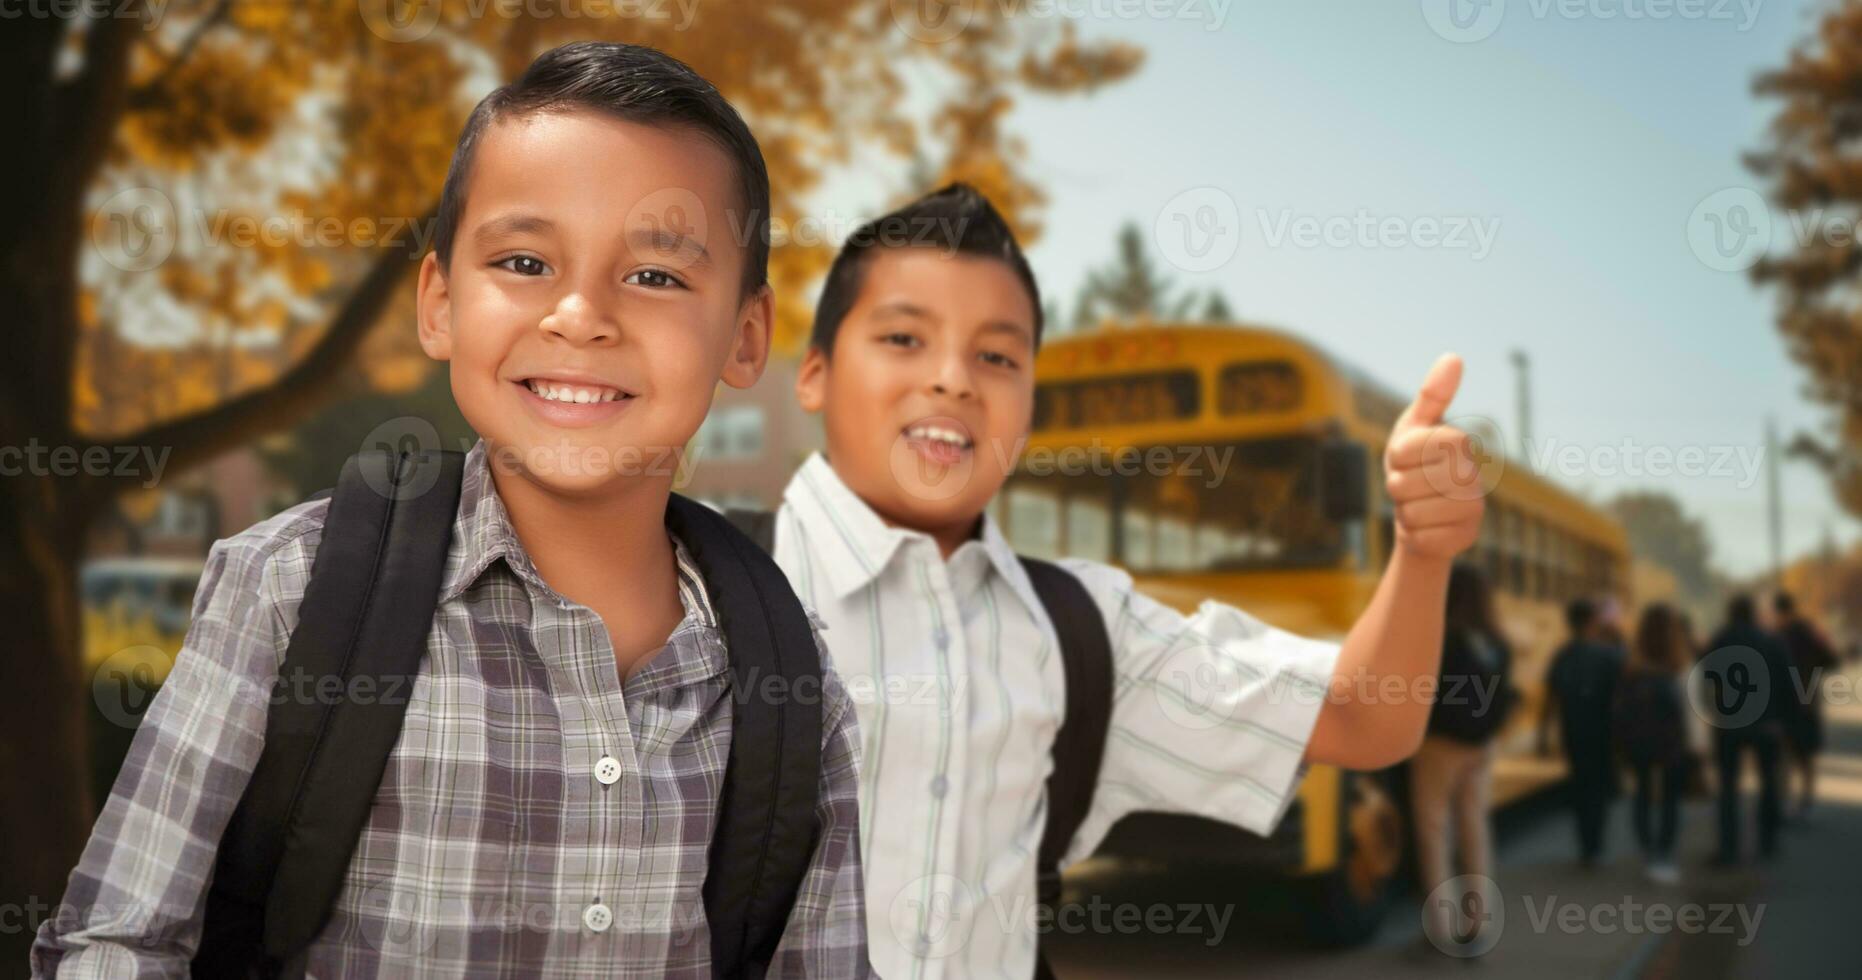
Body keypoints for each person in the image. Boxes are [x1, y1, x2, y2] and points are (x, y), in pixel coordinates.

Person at [33, 42, 870, 977]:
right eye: (523, 260)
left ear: (746, 337)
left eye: (656, 276)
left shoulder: (789, 674)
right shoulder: (292, 590)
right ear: (439, 302)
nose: (580, 314)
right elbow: (119, 939)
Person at [756, 184, 1488, 977]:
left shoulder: (1080, 626)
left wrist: (1420, 551)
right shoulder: (685, 583)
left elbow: (1362, 719)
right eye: (904, 337)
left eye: (997, 355)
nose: (954, 379)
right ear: (815, 375)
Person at [1414, 564, 1516, 950]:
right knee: (1475, 829)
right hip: (1482, 745)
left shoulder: (1442, 636)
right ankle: (1478, 925)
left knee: (1434, 832)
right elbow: (1503, 696)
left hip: (1440, 744)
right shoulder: (1497, 643)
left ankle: (1440, 928)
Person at [1702, 594, 1795, 865]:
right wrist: (1785, 721)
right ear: (1753, 613)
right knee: (1769, 781)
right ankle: (1768, 841)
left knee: (1728, 786)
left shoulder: (1720, 639)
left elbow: (1708, 681)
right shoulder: (1772, 641)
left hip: (1729, 725)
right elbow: (1789, 685)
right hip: (1767, 723)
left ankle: (1729, 848)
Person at [1539, 597, 1625, 866]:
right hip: (1603, 732)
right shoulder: (1608, 655)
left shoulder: (1562, 654)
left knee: (1580, 785)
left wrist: (1543, 734)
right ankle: (1595, 846)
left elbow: (1551, 698)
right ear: (1592, 622)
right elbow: (1619, 698)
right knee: (1598, 789)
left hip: (1573, 730)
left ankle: (1586, 846)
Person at [1613, 604, 1691, 884]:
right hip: (1671, 742)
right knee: (1670, 799)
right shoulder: (1678, 665)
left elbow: (1620, 710)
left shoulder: (1632, 666)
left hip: (1639, 741)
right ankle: (1664, 853)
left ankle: (1648, 851)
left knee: (1643, 794)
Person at [1773, 592, 1838, 818]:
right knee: (1804, 755)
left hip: (1786, 702)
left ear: (1780, 613)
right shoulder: (1808, 632)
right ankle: (1805, 803)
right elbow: (1831, 660)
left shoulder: (1779, 635)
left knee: (1787, 753)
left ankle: (1785, 802)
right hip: (1807, 700)